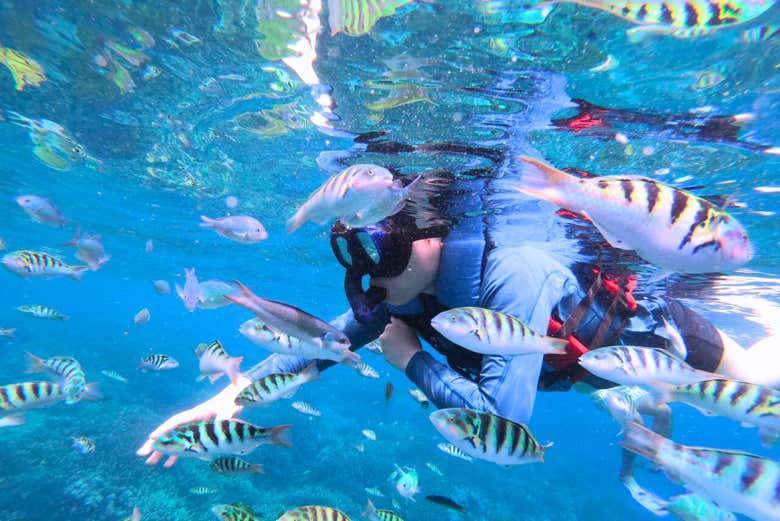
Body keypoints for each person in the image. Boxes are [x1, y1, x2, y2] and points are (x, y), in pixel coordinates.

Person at [137, 205, 772, 471]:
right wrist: (230, 399)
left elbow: (505, 418)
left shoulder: (511, 274)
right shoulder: (406, 290)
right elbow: (323, 345)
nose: (369, 268)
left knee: (760, 387)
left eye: (383, 246)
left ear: (431, 237)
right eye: (356, 249)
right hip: (595, 373)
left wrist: (410, 359)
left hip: (669, 345)